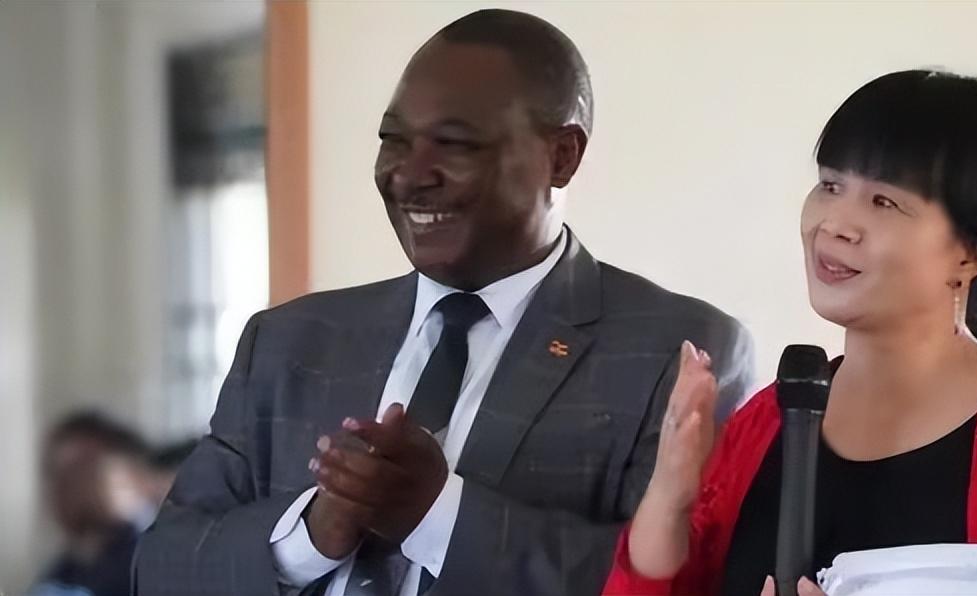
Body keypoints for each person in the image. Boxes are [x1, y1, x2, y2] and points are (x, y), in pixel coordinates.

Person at [133, 9, 756, 596]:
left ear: (561, 156)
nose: (409, 174)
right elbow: (158, 569)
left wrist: (439, 517)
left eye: (455, 144)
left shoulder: (678, 352)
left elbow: (687, 581)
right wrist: (309, 536)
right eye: (394, 140)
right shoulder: (288, 341)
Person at [603, 70, 977, 596]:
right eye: (830, 185)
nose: (834, 223)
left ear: (970, 252)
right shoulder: (765, 422)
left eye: (883, 201)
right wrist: (671, 493)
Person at [32, 412, 156, 596]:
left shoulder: (151, 565)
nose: (65, 486)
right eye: (56, 472)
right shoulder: (62, 572)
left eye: (81, 470)